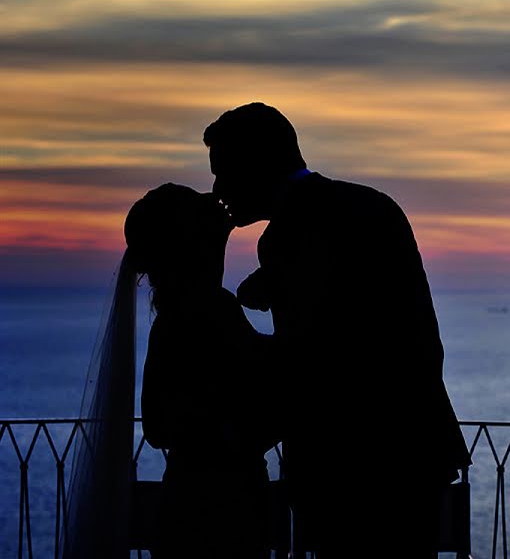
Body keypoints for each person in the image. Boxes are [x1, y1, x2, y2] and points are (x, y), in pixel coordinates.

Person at [205, 102, 471, 556]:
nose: (217, 189)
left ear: (258, 164)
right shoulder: (370, 205)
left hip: (353, 468)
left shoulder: (287, 236)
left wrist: (226, 319)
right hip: (415, 450)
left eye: (224, 171)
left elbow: (309, 356)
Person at [124, 183, 281, 558]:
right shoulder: (208, 309)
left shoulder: (178, 313)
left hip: (192, 496)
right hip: (221, 507)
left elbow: (157, 421)